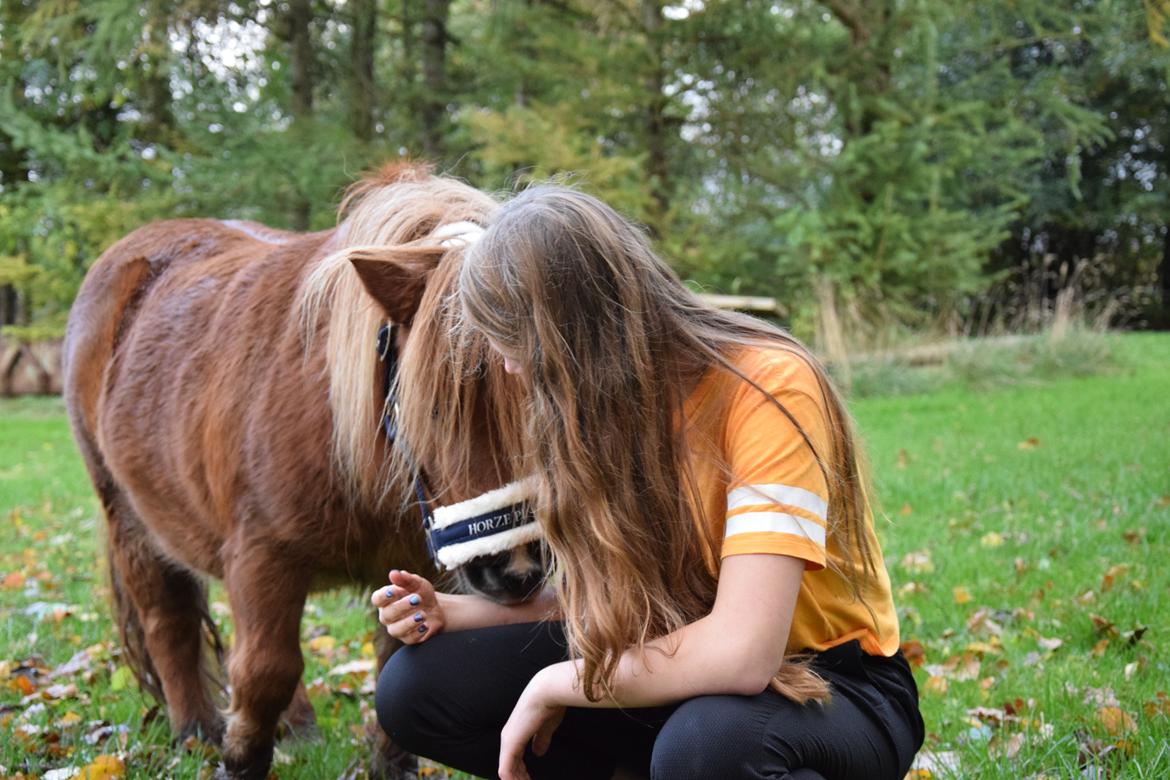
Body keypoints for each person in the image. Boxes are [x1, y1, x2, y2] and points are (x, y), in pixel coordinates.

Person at [371, 185, 924, 780]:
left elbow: (744, 653)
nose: (508, 365)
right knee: (416, 687)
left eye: (510, 342)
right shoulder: (595, 412)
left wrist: (560, 682)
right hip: (675, 660)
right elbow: (617, 604)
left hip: (828, 684)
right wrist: (454, 613)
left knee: (705, 749)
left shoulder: (767, 387)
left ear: (567, 332)